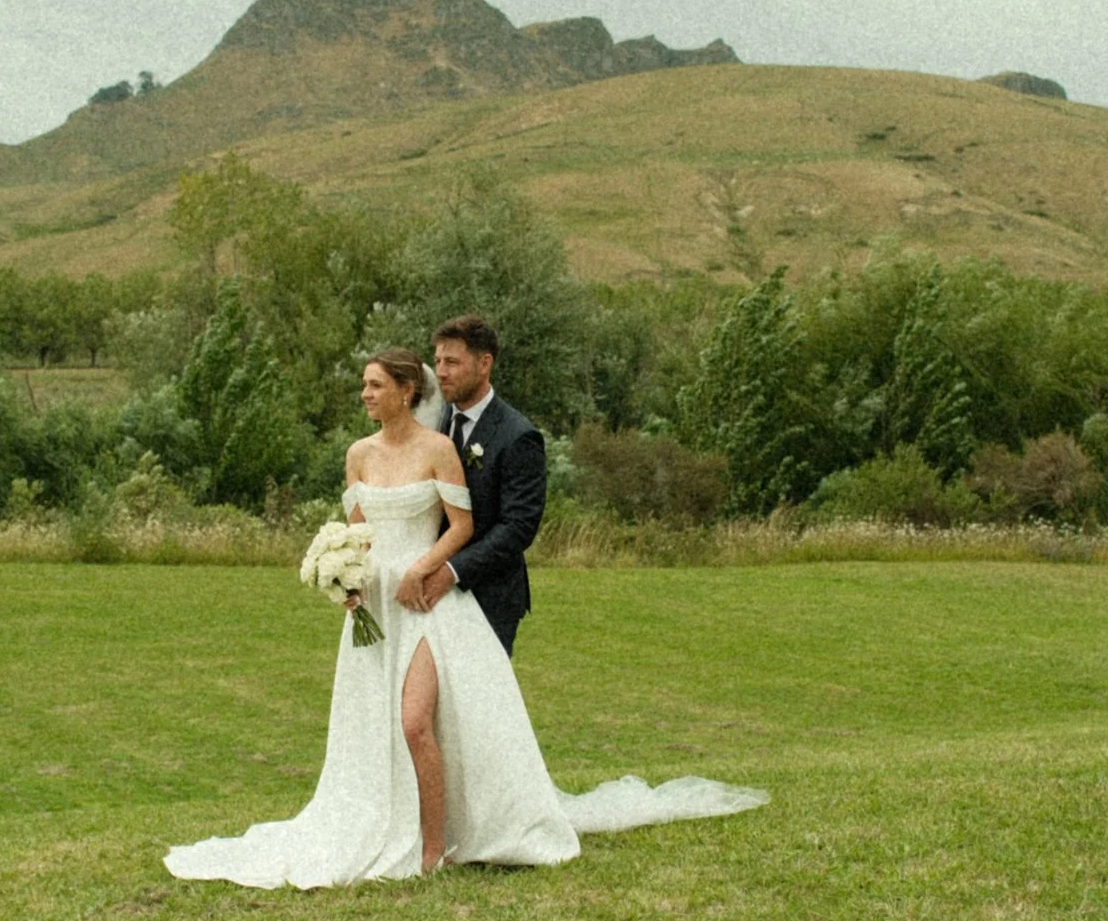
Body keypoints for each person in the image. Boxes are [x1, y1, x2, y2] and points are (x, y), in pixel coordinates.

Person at [163, 339, 765, 891]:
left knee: (416, 721)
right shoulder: (358, 454)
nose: (365, 395)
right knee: (374, 728)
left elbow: (469, 527)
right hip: (375, 608)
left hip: (430, 604)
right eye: (365, 386)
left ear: (405, 390)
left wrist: (425, 570)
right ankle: (394, 822)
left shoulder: (442, 448)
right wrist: (345, 578)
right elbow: (357, 530)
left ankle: (433, 848)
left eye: (375, 384)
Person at [398, 315, 542, 657]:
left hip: (488, 595)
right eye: (437, 362)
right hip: (428, 590)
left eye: (452, 362)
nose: (442, 372)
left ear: (484, 363)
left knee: (478, 706)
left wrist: (452, 571)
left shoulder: (518, 436)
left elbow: (518, 528)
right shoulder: (434, 420)